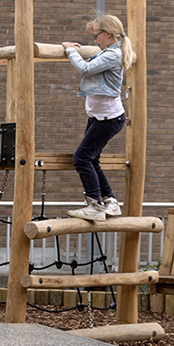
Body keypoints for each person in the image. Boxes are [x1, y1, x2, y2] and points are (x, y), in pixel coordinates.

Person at [62, 14, 129, 221]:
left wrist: (71, 50)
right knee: (92, 159)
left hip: (107, 119)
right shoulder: (108, 52)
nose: (95, 41)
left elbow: (84, 69)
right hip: (100, 117)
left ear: (108, 34)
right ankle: (109, 201)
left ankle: (94, 204)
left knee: (81, 158)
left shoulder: (112, 55)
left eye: (96, 36)